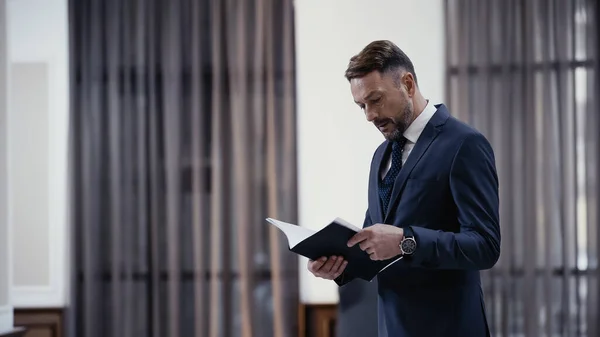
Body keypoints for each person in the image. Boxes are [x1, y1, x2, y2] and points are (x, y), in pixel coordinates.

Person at [307, 40, 501, 337]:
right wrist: (339, 266)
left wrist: (405, 241)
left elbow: (485, 246)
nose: (369, 115)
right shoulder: (380, 156)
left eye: (376, 100)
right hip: (392, 328)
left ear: (408, 84)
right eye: (362, 106)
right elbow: (372, 244)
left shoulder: (465, 144)